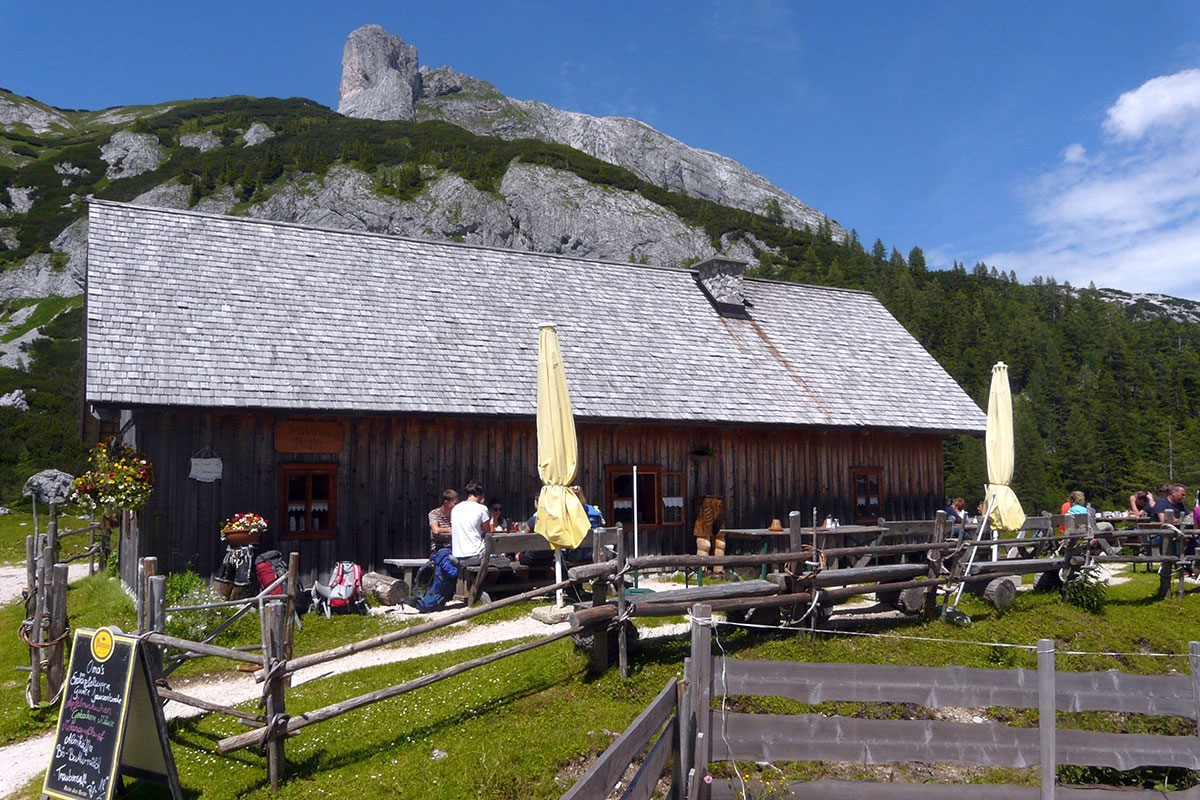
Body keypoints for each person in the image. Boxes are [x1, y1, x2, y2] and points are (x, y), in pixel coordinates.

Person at [451, 480, 493, 563]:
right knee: (500, 557)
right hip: (475, 555)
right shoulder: (482, 508)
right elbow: (488, 532)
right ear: (481, 495)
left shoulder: (456, 508)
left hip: (457, 556)